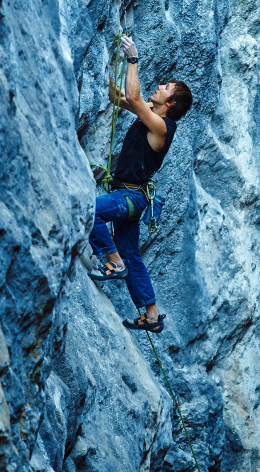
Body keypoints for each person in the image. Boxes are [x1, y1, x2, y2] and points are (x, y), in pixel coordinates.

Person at [88, 34, 192, 333]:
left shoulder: (162, 125)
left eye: (165, 88)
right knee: (133, 253)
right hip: (133, 197)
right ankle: (151, 314)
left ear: (169, 103)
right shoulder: (150, 115)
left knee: (90, 211)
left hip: (130, 197)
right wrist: (107, 64)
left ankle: (112, 262)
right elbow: (120, 99)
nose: (159, 87)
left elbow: (133, 99)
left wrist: (133, 59)